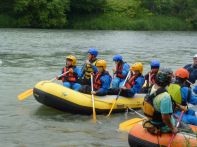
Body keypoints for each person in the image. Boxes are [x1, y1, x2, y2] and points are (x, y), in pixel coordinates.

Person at [143, 69, 178, 134]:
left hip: (153, 121)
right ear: (167, 82)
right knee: (186, 127)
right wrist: (173, 128)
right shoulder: (165, 97)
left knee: (175, 116)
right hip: (163, 126)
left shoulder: (152, 87)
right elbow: (165, 118)